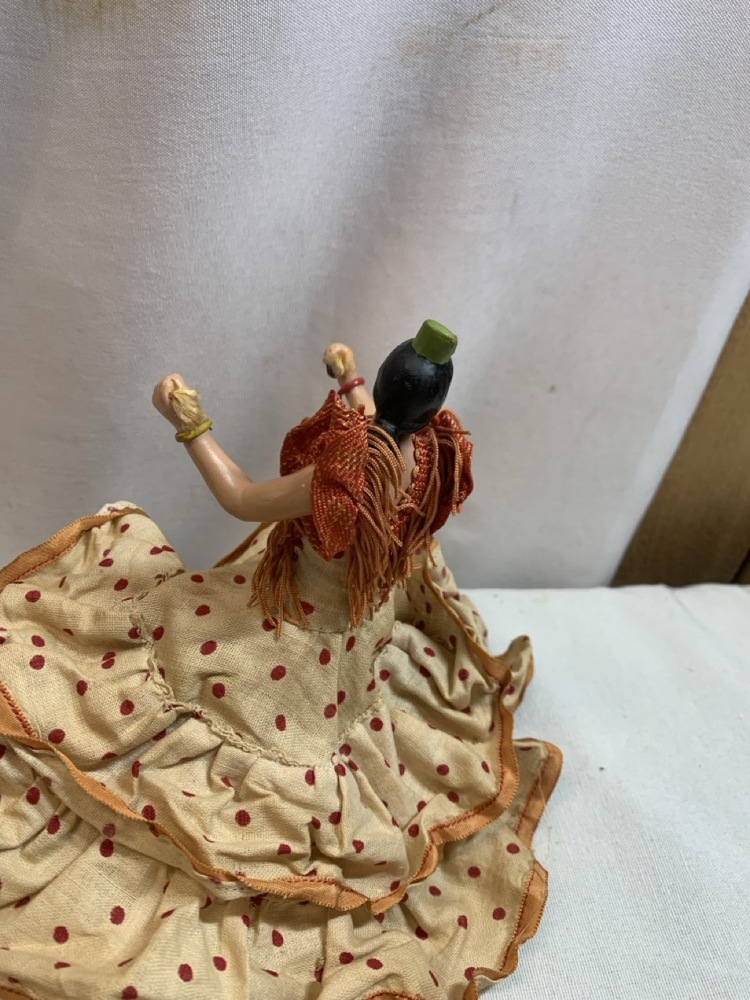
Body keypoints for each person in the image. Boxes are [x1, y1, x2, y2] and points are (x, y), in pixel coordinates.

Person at [0, 322, 561, 1000]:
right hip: (358, 635)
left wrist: (188, 422)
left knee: (168, 663)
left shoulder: (343, 481)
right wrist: (349, 382)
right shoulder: (428, 458)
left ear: (388, 387)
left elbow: (240, 498)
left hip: (284, 636)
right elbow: (383, 431)